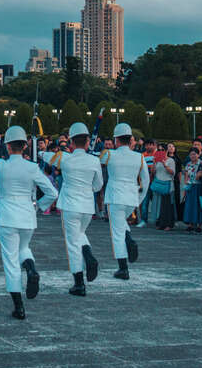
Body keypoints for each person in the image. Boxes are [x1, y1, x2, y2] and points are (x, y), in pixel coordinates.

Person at [0, 125, 57, 320]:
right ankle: (31, 269)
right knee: (23, 248)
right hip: (27, 215)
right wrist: (39, 206)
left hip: (7, 216)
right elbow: (52, 192)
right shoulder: (32, 168)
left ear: (7, 146)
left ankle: (19, 306)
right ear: (24, 146)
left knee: (10, 262)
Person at [57, 123, 104, 296]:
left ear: (71, 142)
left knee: (72, 243)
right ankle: (89, 254)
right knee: (80, 234)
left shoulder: (65, 159)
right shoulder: (94, 161)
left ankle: (79, 283)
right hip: (87, 206)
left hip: (70, 205)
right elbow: (98, 185)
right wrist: (87, 189)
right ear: (87, 142)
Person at [100, 123, 148, 280]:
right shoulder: (139, 157)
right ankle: (129, 240)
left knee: (117, 232)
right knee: (121, 225)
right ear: (131, 140)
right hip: (131, 198)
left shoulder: (109, 154)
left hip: (115, 197)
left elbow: (95, 159)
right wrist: (139, 198)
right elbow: (146, 181)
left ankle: (123, 268)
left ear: (116, 140)